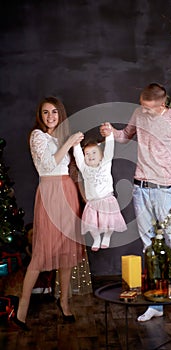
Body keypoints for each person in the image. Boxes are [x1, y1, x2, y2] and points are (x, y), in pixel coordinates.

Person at [100, 83, 171, 324]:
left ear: (162, 104)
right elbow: (125, 136)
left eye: (149, 109)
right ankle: (157, 303)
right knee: (149, 249)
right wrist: (111, 132)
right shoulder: (138, 112)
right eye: (141, 106)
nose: (143, 112)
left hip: (167, 192)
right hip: (140, 190)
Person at [12, 96, 85, 330]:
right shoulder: (38, 136)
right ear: (40, 116)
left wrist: (87, 198)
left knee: (66, 250)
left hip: (67, 191)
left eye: (54, 112)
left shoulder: (61, 138)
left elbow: (74, 169)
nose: (50, 116)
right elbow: (49, 165)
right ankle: (22, 308)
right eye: (45, 112)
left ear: (60, 114)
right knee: (41, 252)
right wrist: (69, 142)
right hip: (50, 191)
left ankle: (64, 302)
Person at [73, 126, 127, 251]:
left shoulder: (105, 164)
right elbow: (78, 157)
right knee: (92, 224)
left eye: (94, 153)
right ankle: (96, 238)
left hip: (107, 199)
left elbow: (109, 150)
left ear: (101, 155)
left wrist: (109, 136)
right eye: (87, 154)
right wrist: (76, 145)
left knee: (110, 223)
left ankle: (107, 236)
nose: (90, 156)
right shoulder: (84, 168)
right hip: (93, 202)